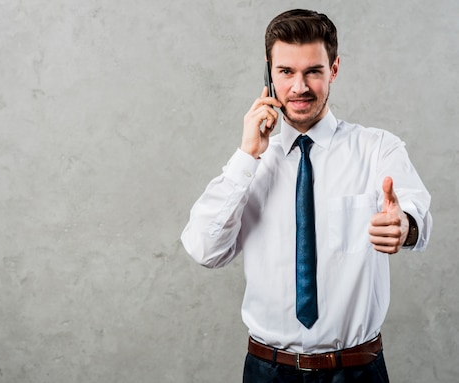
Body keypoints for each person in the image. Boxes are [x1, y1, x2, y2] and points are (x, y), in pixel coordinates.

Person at [180, 9, 432, 383]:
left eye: (313, 71)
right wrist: (246, 156)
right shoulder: (251, 165)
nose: (299, 87)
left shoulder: (378, 148)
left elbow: (416, 216)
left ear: (334, 69)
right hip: (267, 371)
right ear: (269, 72)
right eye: (286, 72)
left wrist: (404, 227)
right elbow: (204, 250)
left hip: (357, 371)